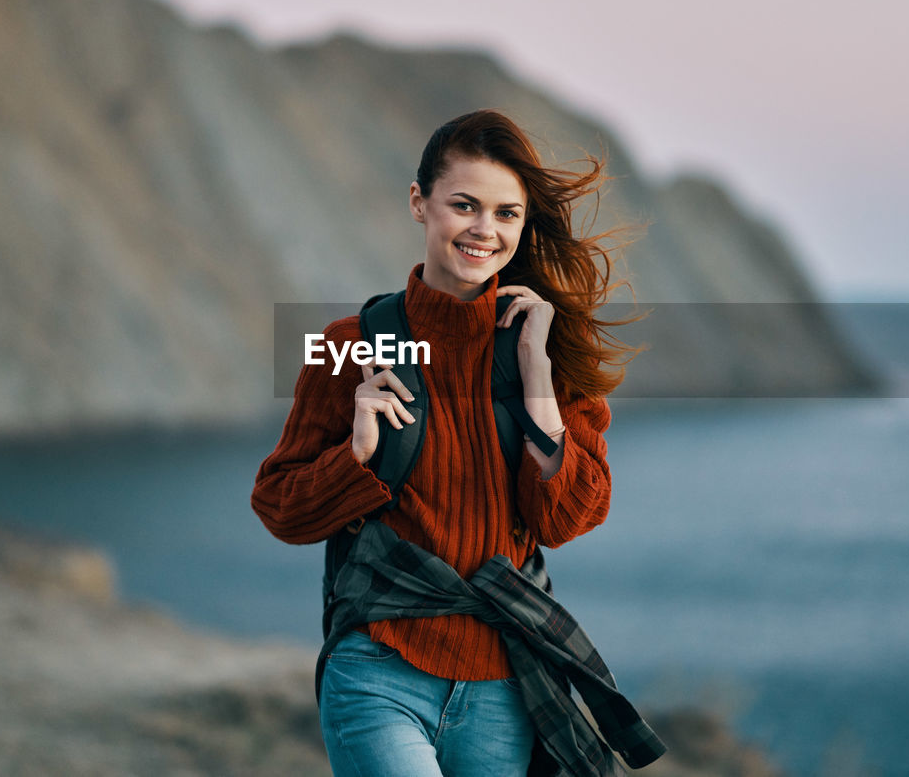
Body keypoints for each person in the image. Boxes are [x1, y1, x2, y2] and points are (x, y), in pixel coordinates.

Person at [251, 110, 647, 776]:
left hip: (503, 687)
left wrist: (539, 382)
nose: (484, 230)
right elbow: (279, 508)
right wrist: (354, 453)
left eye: (505, 214)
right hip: (378, 669)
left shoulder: (547, 351)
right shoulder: (349, 347)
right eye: (464, 205)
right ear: (419, 203)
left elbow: (567, 517)